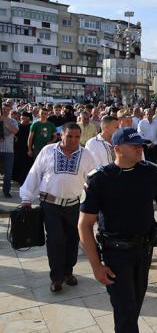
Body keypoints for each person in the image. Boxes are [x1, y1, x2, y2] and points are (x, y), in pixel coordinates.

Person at [78, 127, 157, 333]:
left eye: (141, 144)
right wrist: (96, 266)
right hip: (116, 254)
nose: (140, 148)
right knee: (126, 313)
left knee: (133, 308)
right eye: (134, 145)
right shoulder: (100, 179)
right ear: (118, 149)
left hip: (144, 251)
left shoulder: (151, 172)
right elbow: (84, 225)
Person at [20, 123, 97, 292]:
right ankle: (56, 278)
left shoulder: (86, 155)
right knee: (55, 240)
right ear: (61, 135)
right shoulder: (48, 151)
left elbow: (94, 179)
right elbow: (35, 173)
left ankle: (68, 272)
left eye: (77, 137)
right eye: (69, 136)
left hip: (75, 205)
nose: (73, 140)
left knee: (73, 240)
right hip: (50, 205)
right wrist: (26, 197)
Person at [0, 102, 19, 197]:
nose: (5, 111)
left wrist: (5, 121)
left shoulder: (13, 121)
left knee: (8, 173)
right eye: (3, 109)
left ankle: (6, 192)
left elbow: (15, 131)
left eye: (7, 110)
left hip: (8, 150)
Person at [13, 111, 33, 186]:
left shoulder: (31, 126)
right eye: (21, 118)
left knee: (27, 166)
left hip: (27, 149)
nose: (22, 120)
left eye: (24, 118)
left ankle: (24, 181)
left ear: (28, 118)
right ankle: (17, 180)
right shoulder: (18, 126)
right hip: (18, 149)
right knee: (18, 165)